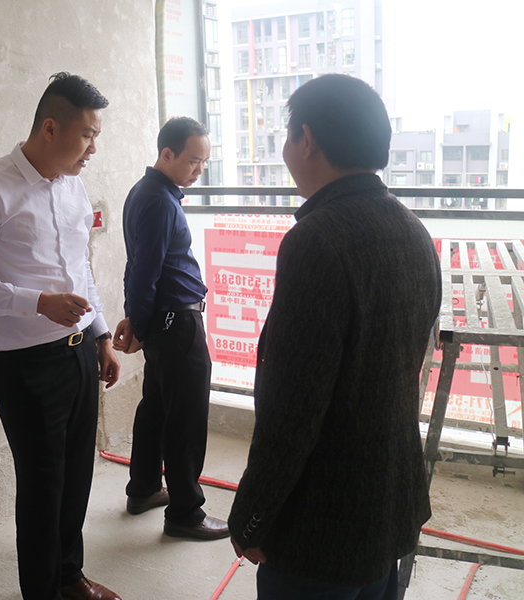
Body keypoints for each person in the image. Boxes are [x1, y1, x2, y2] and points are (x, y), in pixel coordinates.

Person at [228, 74, 441, 599]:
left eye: (286, 137)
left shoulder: (316, 242)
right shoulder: (412, 231)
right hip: (386, 505)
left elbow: (293, 407)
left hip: (319, 525)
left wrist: (253, 516)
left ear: (306, 139)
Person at [0, 72, 121, 600]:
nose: (93, 147)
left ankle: (69, 577)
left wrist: (100, 334)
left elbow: (80, 269)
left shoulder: (73, 186)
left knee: (77, 476)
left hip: (79, 353)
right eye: (88, 134)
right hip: (26, 364)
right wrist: (38, 302)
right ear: (50, 128)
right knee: (43, 486)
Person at [113, 117, 228, 541]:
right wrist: (140, 325)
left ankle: (143, 489)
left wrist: (136, 318)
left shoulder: (144, 191)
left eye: (204, 162)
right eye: (193, 160)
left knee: (157, 408)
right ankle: (185, 512)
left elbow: (138, 267)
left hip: (163, 321)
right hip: (177, 322)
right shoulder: (160, 201)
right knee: (186, 417)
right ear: (167, 154)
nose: (199, 170)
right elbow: (145, 270)